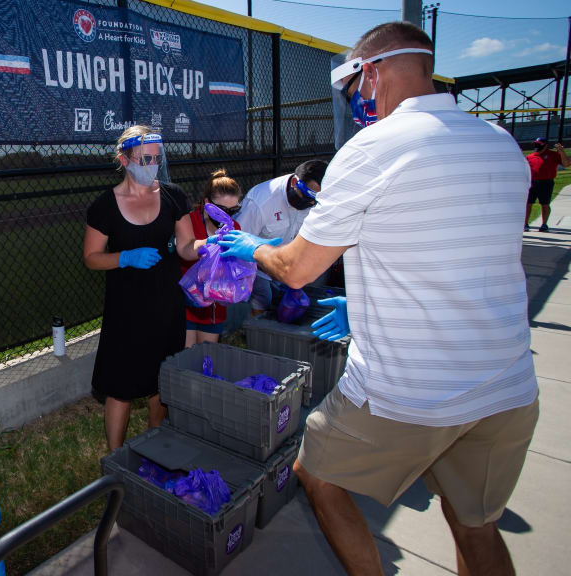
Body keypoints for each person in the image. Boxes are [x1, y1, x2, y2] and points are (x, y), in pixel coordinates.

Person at [212, 22, 538, 576]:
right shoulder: (501, 142)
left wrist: (253, 247)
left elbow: (295, 269)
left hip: (412, 389)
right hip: (507, 383)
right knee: (475, 524)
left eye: (357, 89)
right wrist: (361, 306)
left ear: (372, 71)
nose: (359, 103)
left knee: (317, 473)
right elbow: (455, 247)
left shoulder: (374, 147)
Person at [83, 125, 206, 452]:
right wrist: (124, 257)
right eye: (143, 159)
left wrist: (210, 246)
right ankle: (115, 458)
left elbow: (185, 247)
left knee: (160, 381)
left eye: (155, 158)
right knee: (120, 386)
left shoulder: (172, 196)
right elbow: (92, 258)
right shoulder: (105, 205)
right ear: (124, 159)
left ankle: (156, 445)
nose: (151, 165)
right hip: (126, 309)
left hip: (166, 304)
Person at [234, 159, 327, 316]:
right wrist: (270, 267)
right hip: (257, 264)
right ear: (295, 182)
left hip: (290, 263)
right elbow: (240, 240)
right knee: (263, 297)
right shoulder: (261, 201)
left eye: (316, 199)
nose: (311, 202)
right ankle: (255, 329)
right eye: (307, 195)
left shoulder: (318, 202)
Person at [179, 169, 244, 347]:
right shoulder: (190, 221)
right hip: (187, 302)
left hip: (214, 306)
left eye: (234, 210)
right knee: (187, 356)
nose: (227, 216)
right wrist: (207, 243)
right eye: (222, 210)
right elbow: (184, 251)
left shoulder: (234, 226)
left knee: (206, 357)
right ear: (207, 203)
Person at [524, 137, 569, 232]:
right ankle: (525, 224)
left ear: (545, 145)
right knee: (528, 203)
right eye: (535, 144)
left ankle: (544, 224)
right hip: (532, 182)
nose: (536, 146)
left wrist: (561, 151)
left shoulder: (553, 155)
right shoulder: (530, 157)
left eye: (539, 144)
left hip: (546, 182)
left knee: (545, 204)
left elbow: (566, 164)